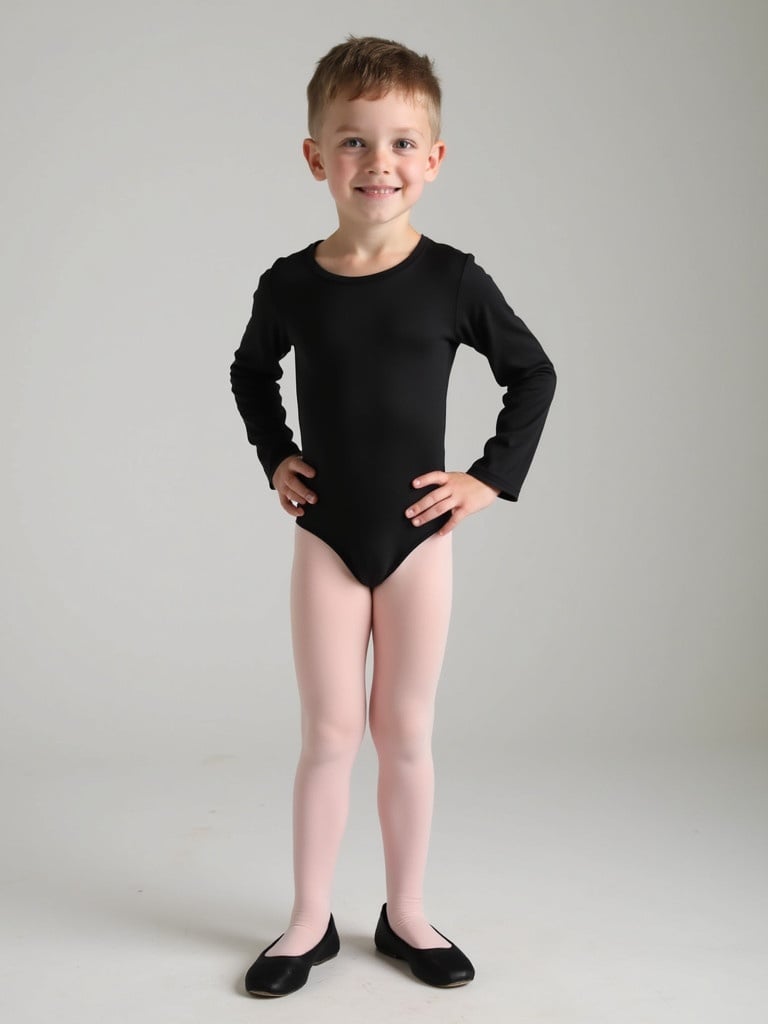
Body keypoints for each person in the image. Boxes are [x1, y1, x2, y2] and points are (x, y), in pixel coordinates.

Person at [229, 35, 557, 997]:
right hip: (328, 539)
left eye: (404, 143)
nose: (381, 164)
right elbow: (250, 373)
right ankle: (307, 921)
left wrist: (488, 479)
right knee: (330, 733)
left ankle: (405, 913)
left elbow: (532, 373)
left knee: (404, 731)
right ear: (315, 156)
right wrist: (272, 454)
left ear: (435, 159)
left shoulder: (452, 278)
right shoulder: (291, 282)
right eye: (356, 143)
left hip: (419, 542)